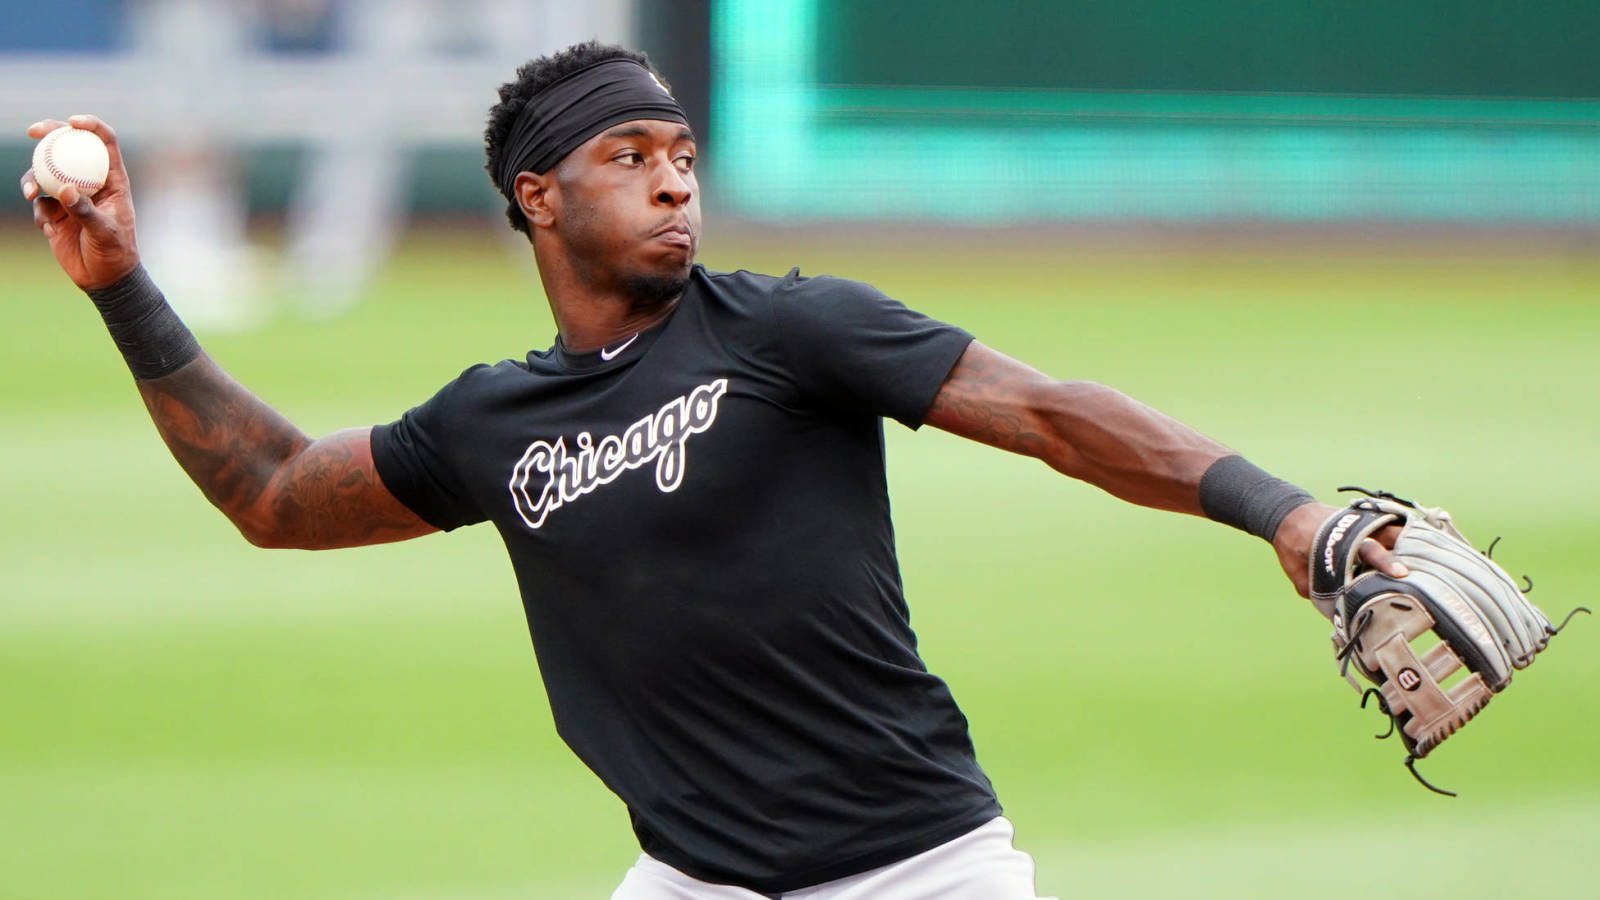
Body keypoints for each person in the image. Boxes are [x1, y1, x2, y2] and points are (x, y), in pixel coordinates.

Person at [23, 41, 1407, 900]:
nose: (675, 181)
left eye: (683, 154)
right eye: (628, 157)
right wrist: (126, 288)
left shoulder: (793, 328)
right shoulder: (490, 424)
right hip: (695, 883)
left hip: (918, 875)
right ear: (538, 199)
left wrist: (1278, 512)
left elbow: (1048, 411)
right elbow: (272, 492)